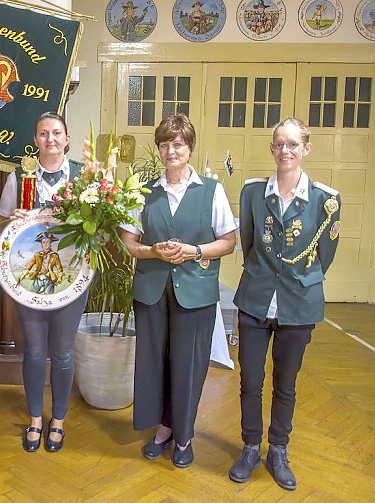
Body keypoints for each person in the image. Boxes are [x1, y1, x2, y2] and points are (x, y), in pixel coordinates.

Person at [229, 117, 341, 491]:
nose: (285, 151)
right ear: (272, 149)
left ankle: (277, 450)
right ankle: (249, 446)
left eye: (293, 144)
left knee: (286, 383)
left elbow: (324, 255)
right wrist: (268, 275)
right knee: (250, 379)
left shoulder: (326, 201)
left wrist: (292, 280)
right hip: (255, 298)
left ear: (306, 148)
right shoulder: (252, 193)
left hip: (299, 302)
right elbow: (248, 243)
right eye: (279, 144)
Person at [119, 114, 237, 468]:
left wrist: (195, 251)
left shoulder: (212, 191)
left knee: (188, 364)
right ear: (158, 149)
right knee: (154, 362)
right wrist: (153, 251)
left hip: (196, 292)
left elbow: (228, 241)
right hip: (152, 289)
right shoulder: (143, 191)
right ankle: (162, 429)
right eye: (165, 144)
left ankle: (184, 434)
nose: (171, 151)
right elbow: (129, 243)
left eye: (179, 144)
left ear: (190, 148)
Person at [0, 111, 86, 452]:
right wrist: (12, 220)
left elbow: (103, 232)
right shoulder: (20, 178)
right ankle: (35, 418)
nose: (50, 139)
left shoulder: (85, 177)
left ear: (67, 138)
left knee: (62, 353)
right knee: (34, 352)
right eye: (43, 133)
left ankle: (58, 420)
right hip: (29, 282)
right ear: (36, 140)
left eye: (57, 133)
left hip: (72, 279)